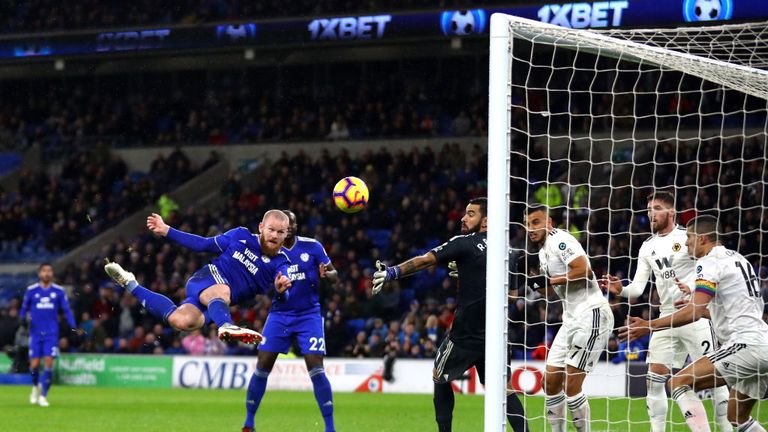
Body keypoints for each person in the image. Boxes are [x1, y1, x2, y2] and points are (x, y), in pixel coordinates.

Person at [372, 197, 528, 432]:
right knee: (504, 390)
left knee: (439, 376)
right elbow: (513, 297)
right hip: (497, 337)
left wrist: (393, 272)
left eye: (471, 214)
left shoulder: (465, 243)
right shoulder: (511, 252)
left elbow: (425, 261)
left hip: (465, 334)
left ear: (486, 221)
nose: (464, 218)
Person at [600, 191, 730, 431]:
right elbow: (638, 288)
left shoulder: (688, 238)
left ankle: (726, 428)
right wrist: (621, 290)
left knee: (714, 378)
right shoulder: (647, 247)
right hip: (666, 317)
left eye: (657, 208)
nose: (651, 213)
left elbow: (712, 265)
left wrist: (692, 288)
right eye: (649, 209)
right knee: (654, 379)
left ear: (671, 211)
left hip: (695, 314)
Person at [626, 215, 768, 431]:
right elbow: (731, 311)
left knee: (677, 382)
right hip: (762, 342)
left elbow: (692, 313)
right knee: (737, 418)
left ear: (702, 238)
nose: (686, 242)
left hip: (745, 345)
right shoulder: (738, 259)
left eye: (690, 237)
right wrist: (702, 311)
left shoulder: (708, 262)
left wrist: (649, 325)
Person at [104, 210, 292, 344]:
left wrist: (282, 291)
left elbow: (283, 297)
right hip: (206, 278)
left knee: (182, 321)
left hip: (218, 303)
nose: (274, 235)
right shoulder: (240, 235)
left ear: (286, 235)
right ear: (261, 227)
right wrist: (167, 230)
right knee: (223, 291)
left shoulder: (283, 263)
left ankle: (130, 283)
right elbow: (204, 245)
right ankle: (227, 325)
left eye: (280, 232)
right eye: (271, 229)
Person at [243, 210, 339, 432]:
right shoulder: (267, 252)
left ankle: (330, 427)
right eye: (287, 224)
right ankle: (249, 423)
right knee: (262, 366)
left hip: (309, 316)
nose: (290, 228)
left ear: (293, 227)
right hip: (279, 314)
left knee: (317, 369)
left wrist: (328, 275)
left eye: (293, 224)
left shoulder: (313, 247)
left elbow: (336, 276)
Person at [524, 204, 613, 432]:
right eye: (527, 224)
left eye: (535, 222)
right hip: (571, 319)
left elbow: (585, 271)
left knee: (572, 384)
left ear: (549, 223)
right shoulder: (543, 251)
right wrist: (535, 284)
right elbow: (552, 291)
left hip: (592, 313)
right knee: (550, 382)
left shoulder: (560, 240)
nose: (530, 228)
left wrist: (550, 281)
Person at [19, 263, 77, 407]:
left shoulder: (58, 291)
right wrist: (21, 321)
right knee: (34, 365)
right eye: (44, 271)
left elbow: (66, 310)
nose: (47, 273)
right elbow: (24, 309)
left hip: (51, 333)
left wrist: (73, 325)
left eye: (49, 271)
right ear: (39, 274)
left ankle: (43, 396)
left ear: (52, 274)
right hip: (35, 333)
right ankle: (34, 387)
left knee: (49, 362)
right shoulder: (31, 290)